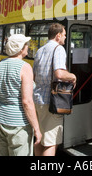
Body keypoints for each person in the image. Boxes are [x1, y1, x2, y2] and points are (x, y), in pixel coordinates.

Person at [0, 34, 42, 156]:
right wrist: (37, 129)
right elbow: (27, 102)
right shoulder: (25, 67)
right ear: (21, 48)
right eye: (26, 45)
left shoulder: (0, 64)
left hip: (0, 118)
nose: (28, 47)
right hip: (18, 123)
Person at [33, 23, 76, 156]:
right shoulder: (58, 49)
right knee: (51, 142)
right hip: (51, 102)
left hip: (38, 99)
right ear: (58, 36)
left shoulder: (40, 50)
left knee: (39, 138)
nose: (65, 38)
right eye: (64, 35)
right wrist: (73, 76)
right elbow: (59, 74)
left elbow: (34, 76)